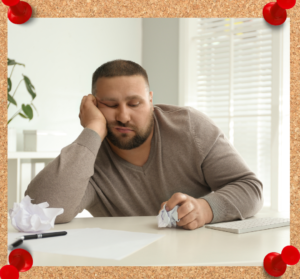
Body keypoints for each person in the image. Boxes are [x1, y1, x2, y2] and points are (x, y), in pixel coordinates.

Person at [25, 59, 264, 230]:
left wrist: (205, 209)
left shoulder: (191, 128)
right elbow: (38, 211)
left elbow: (250, 187)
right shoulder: (87, 157)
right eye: (109, 104)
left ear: (150, 100)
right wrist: (92, 131)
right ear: (94, 106)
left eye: (134, 103)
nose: (123, 116)